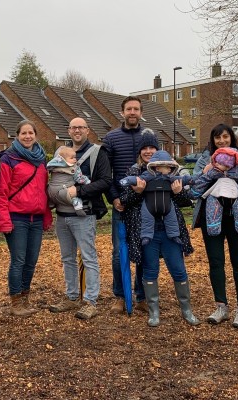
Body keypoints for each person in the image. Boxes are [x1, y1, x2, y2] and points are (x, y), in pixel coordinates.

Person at [119, 135, 199, 327]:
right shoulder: (136, 173)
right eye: (144, 148)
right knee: (150, 270)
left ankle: (186, 309)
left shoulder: (174, 175)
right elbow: (124, 201)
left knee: (178, 269)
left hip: (170, 231)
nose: (148, 151)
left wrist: (179, 192)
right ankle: (153, 310)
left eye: (152, 148)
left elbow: (186, 201)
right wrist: (137, 192)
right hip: (146, 231)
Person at [191, 124, 238, 329]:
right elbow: (194, 185)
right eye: (217, 138)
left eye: (225, 137)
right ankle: (221, 306)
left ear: (231, 138)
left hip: (237, 216)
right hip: (211, 216)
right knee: (215, 262)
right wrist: (205, 171)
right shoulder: (205, 159)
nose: (221, 141)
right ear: (212, 140)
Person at [47, 118, 112, 320]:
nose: (77, 130)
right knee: (67, 258)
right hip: (62, 215)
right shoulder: (60, 154)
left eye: (81, 127)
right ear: (68, 130)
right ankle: (71, 296)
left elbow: (106, 181)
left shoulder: (97, 152)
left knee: (88, 257)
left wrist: (80, 191)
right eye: (73, 127)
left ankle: (90, 301)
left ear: (87, 130)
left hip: (84, 214)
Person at [0, 120, 52, 317]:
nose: (27, 136)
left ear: (35, 135)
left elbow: (43, 191)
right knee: (18, 260)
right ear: (16, 136)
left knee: (31, 260)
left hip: (36, 217)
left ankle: (26, 297)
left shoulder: (41, 159)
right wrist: (3, 220)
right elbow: (1, 192)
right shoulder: (8, 159)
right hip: (16, 217)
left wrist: (46, 216)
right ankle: (15, 300)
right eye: (23, 133)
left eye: (30, 133)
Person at [103, 96, 148, 313]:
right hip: (121, 204)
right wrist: (114, 197)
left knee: (144, 249)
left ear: (140, 112)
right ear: (122, 112)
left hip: (145, 204)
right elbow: (105, 172)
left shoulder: (149, 137)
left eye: (136, 109)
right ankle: (120, 295)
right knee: (118, 252)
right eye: (129, 109)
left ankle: (142, 296)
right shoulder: (111, 138)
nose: (132, 112)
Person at [118, 151, 193, 246]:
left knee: (172, 218)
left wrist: (190, 180)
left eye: (171, 166)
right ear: (157, 167)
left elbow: (183, 181)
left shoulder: (171, 177)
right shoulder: (147, 175)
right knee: (146, 218)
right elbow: (136, 180)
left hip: (167, 205)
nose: (170, 169)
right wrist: (127, 181)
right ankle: (146, 236)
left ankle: (174, 235)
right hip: (149, 205)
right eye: (167, 167)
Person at [46, 146, 91, 216]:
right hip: (63, 191)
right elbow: (79, 179)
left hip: (50, 191)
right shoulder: (73, 168)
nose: (75, 160)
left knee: (52, 195)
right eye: (72, 158)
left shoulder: (53, 166)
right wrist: (88, 182)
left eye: (75, 157)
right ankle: (78, 208)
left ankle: (51, 203)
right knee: (75, 197)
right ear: (63, 159)